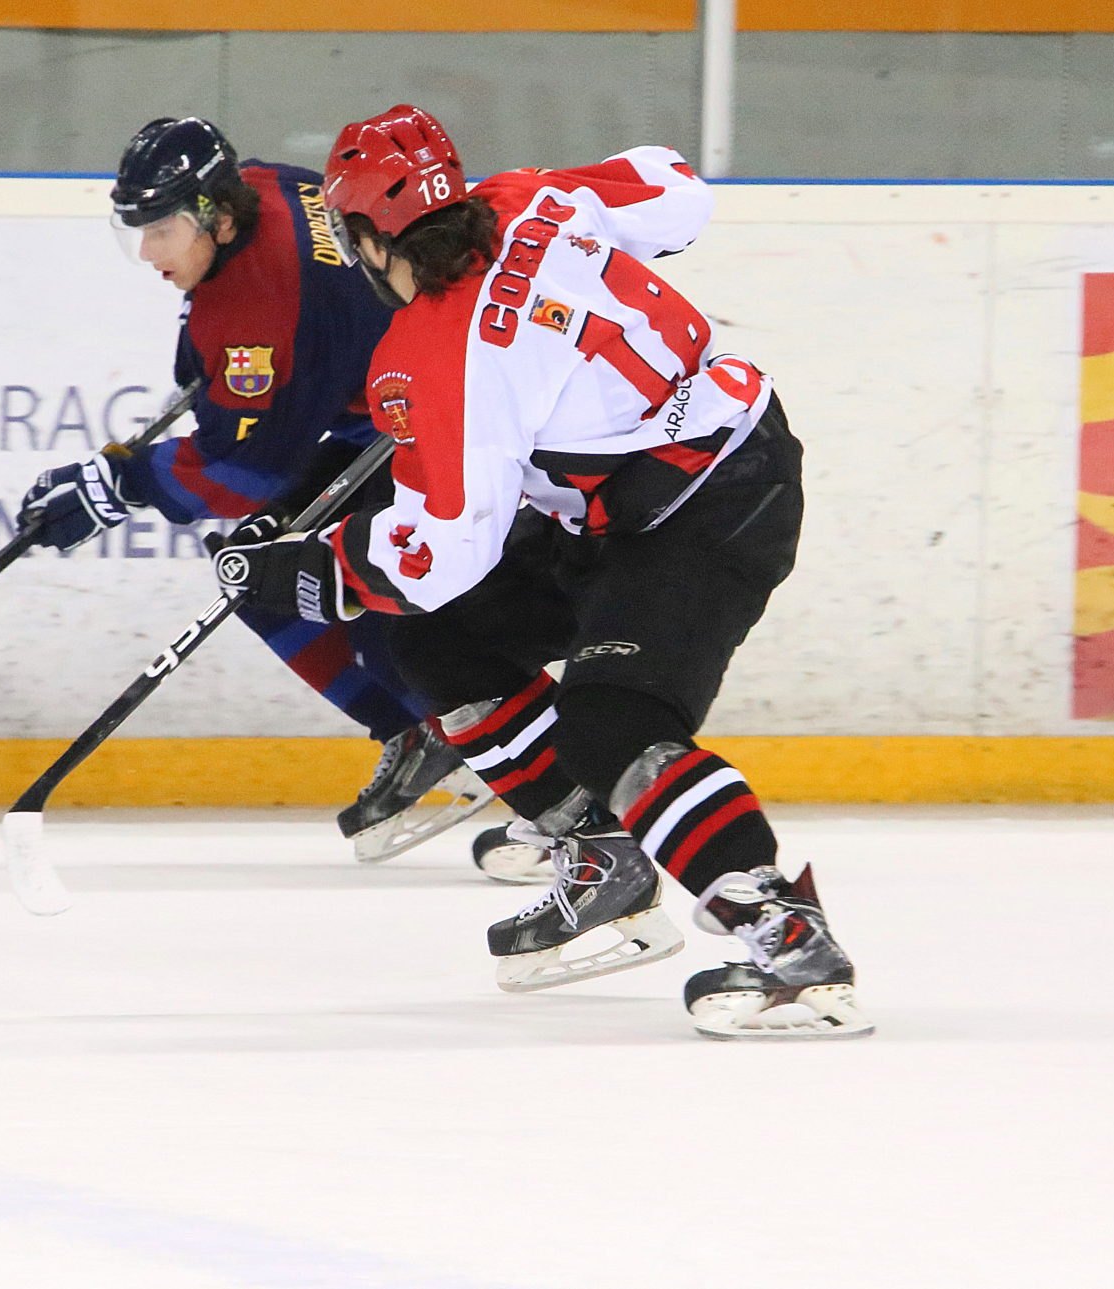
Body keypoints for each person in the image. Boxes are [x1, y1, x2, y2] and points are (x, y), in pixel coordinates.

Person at [210, 104, 871, 1039]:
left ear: (364, 236)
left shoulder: (439, 352)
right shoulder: (532, 197)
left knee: (615, 725)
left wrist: (311, 575)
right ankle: (601, 859)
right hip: (626, 500)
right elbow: (676, 189)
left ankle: (785, 935)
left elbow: (442, 552)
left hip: (713, 502)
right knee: (438, 640)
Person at [18, 116, 490, 862]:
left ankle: (538, 784)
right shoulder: (265, 183)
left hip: (421, 422)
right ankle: (419, 733)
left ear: (214, 216)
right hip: (383, 403)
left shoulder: (257, 315)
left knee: (344, 592)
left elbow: (246, 471)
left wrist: (120, 484)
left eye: (162, 230)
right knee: (260, 574)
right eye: (137, 230)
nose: (147, 252)